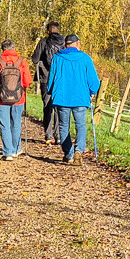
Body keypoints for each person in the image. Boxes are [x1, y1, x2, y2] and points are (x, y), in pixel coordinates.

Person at [44, 32, 101, 163]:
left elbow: (51, 77)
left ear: (66, 45)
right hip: (80, 97)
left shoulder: (57, 58)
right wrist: (92, 91)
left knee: (64, 126)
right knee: (80, 125)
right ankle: (78, 150)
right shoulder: (85, 58)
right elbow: (94, 80)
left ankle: (68, 154)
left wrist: (50, 91)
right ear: (77, 44)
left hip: (62, 97)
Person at [0, 38, 32, 160]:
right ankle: (16, 149)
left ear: (2, 49)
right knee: (16, 123)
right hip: (18, 98)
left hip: (1, 98)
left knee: (4, 124)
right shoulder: (22, 61)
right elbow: (27, 82)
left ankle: (7, 153)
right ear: (14, 48)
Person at [31, 21, 66, 143]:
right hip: (60, 78)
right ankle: (58, 135)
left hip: (46, 77)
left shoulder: (43, 42)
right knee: (59, 106)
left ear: (48, 31)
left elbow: (35, 59)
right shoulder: (64, 43)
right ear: (59, 30)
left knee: (47, 106)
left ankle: (48, 135)